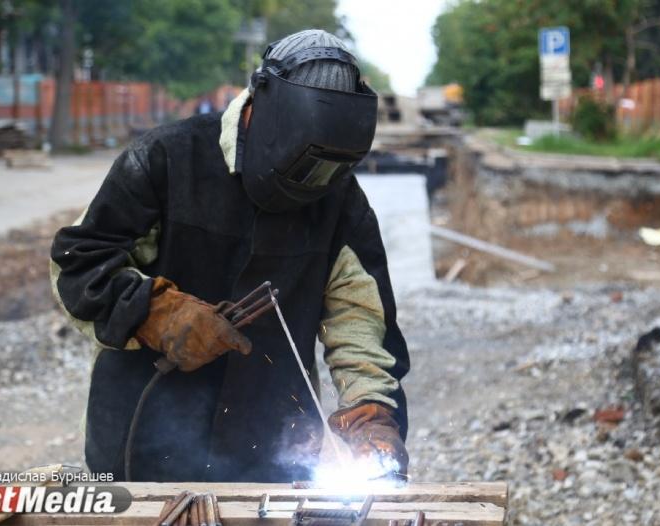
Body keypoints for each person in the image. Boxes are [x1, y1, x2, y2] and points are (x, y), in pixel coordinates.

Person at [50, 29, 409, 482]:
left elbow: (359, 320)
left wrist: (370, 415)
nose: (315, 183)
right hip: (140, 440)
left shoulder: (341, 201)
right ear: (260, 106)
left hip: (269, 448)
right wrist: (157, 313)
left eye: (331, 169)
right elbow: (79, 262)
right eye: (307, 164)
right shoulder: (167, 159)